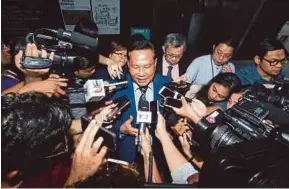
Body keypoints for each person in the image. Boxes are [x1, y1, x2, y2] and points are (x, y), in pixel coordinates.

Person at [111, 40, 172, 162]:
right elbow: (106, 123)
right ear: (128, 64)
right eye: (136, 67)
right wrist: (121, 129)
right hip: (126, 159)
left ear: (155, 63)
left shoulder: (166, 83)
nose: (141, 73)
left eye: (147, 66)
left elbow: (171, 116)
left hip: (159, 157)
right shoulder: (116, 88)